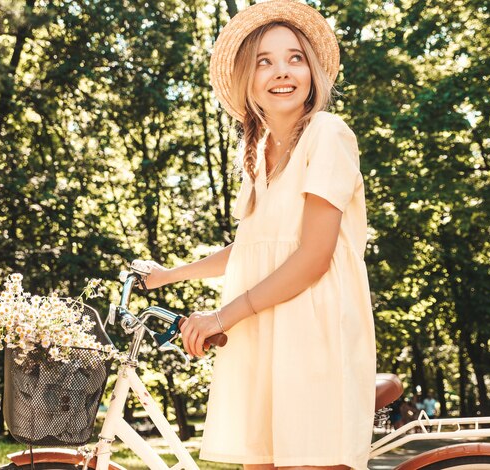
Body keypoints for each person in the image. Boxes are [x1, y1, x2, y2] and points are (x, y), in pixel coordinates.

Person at [142, 1, 376, 469]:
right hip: (263, 336)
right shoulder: (258, 152)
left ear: (312, 70)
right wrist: (168, 276)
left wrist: (222, 317)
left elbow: (312, 256)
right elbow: (253, 248)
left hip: (314, 337)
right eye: (264, 61)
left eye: (295, 58)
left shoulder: (327, 135)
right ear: (247, 79)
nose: (281, 72)